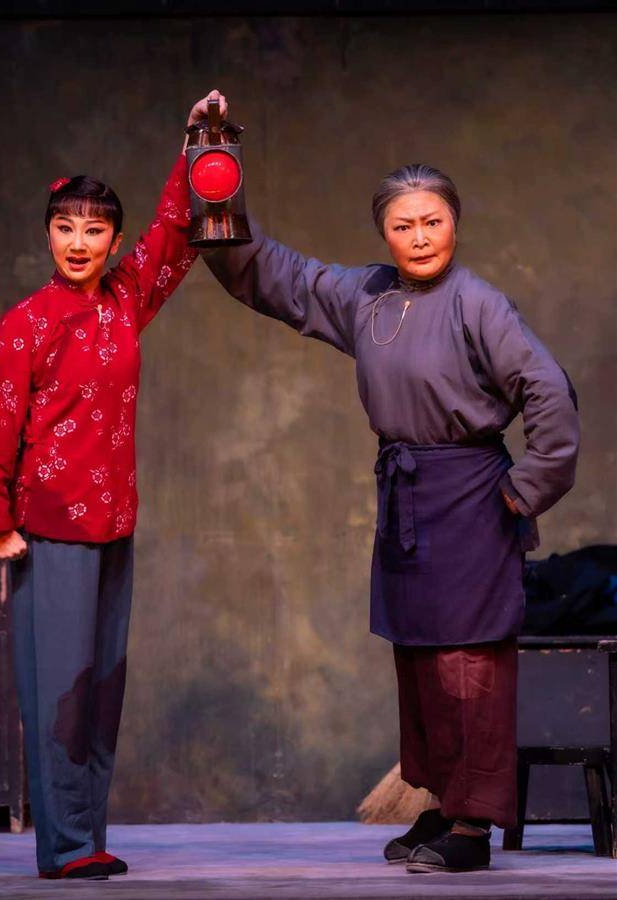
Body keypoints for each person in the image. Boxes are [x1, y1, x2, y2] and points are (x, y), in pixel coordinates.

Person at [202, 153, 579, 873]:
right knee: (420, 658)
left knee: (468, 663)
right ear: (384, 233)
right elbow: (278, 275)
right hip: (406, 494)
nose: (420, 237)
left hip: (471, 497)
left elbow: (550, 393)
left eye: (432, 221)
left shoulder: (479, 303)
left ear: (455, 224)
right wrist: (213, 182)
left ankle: (471, 826)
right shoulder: (367, 295)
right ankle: (439, 801)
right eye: (403, 225)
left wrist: (525, 488)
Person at [0, 90, 227, 880]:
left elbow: (174, 233)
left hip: (113, 525)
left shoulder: (123, 301)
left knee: (100, 691)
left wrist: (196, 143)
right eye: (65, 227)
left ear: (112, 240)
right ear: (48, 234)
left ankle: (85, 838)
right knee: (60, 693)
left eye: (94, 230)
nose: (79, 243)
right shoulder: (28, 321)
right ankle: (66, 846)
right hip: (49, 530)